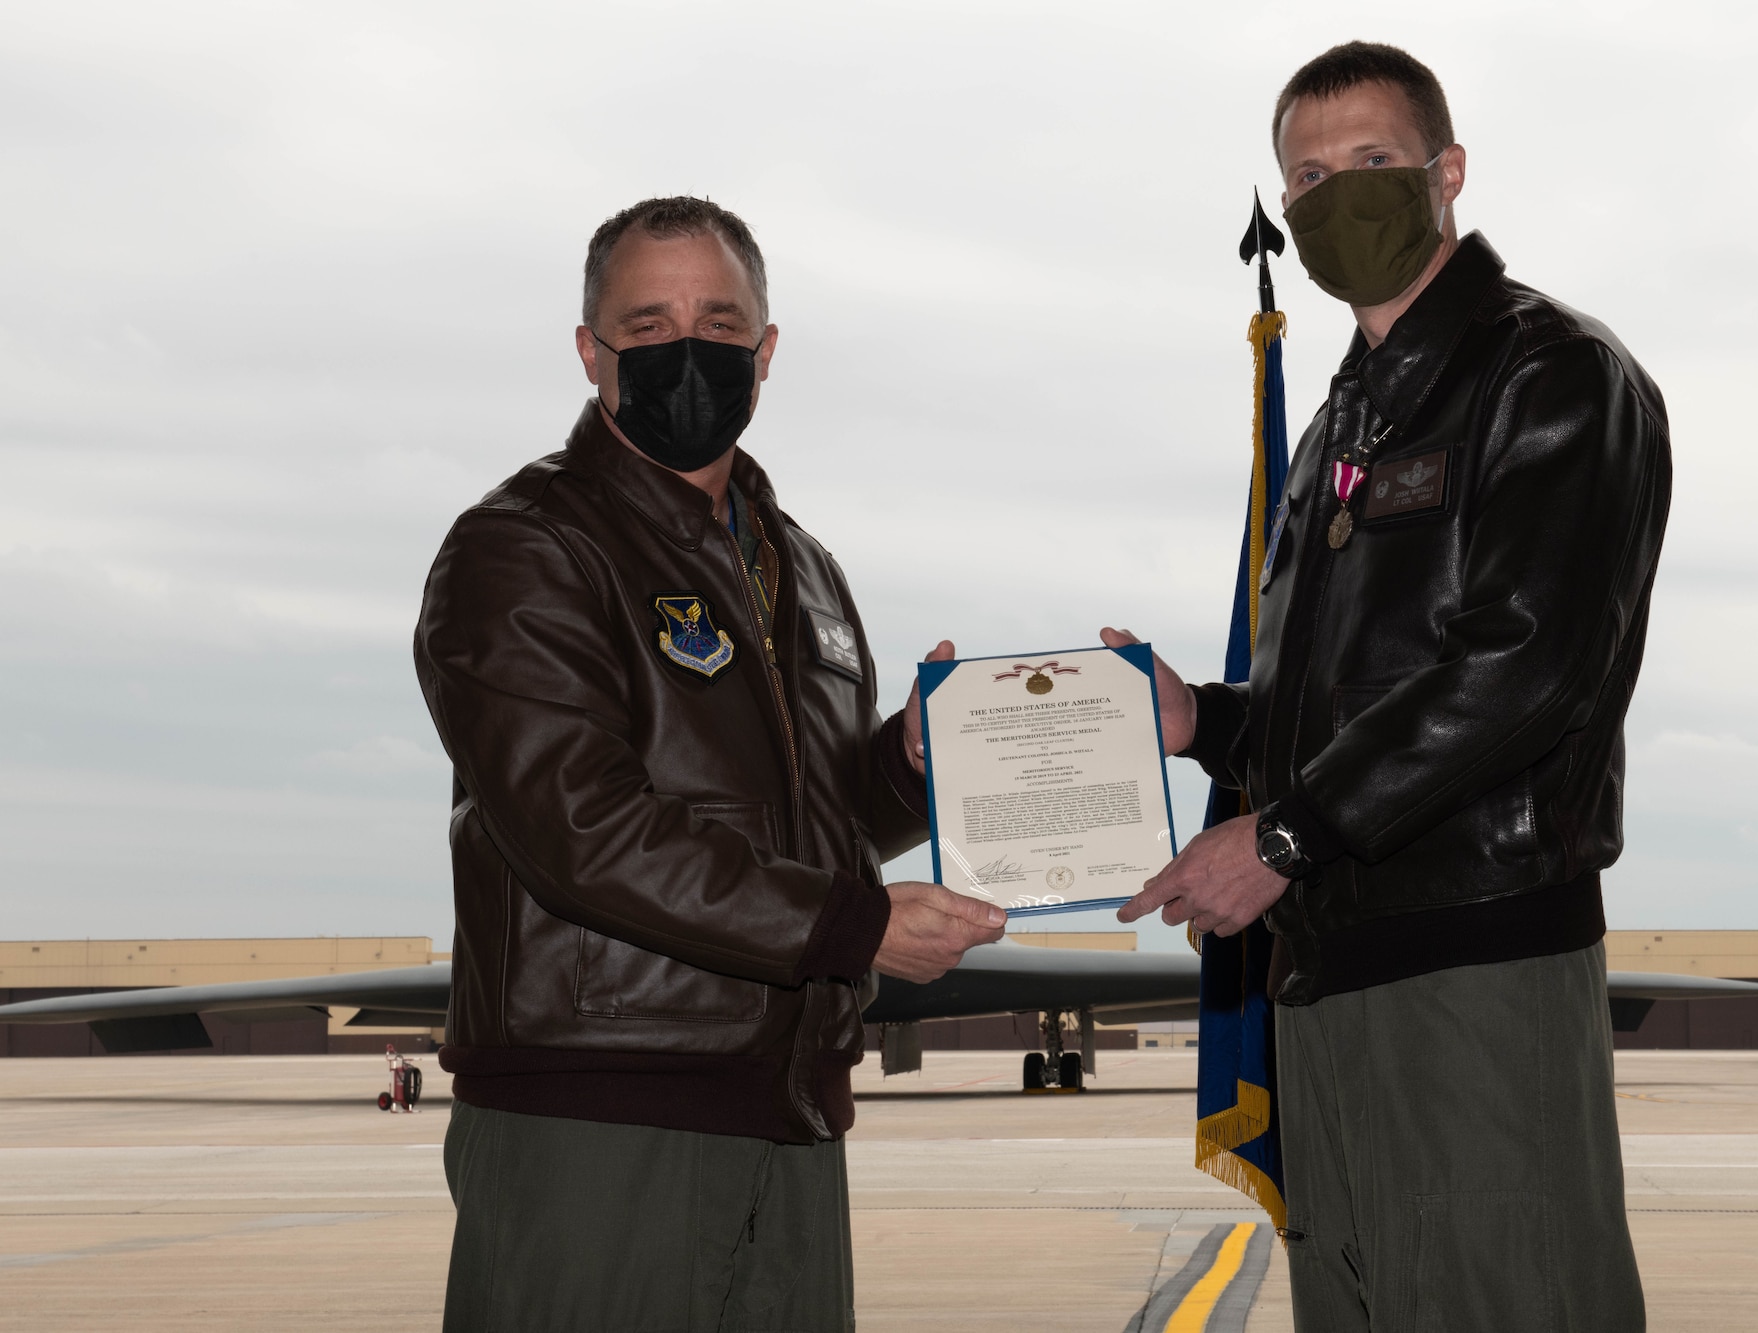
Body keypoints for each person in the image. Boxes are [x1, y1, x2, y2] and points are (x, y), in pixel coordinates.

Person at [1112, 42, 1667, 1330]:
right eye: (1303, 178)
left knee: (1502, 1294)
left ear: (1446, 172)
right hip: (1327, 966)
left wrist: (1290, 835)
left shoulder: (1548, 374)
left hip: (1468, 960)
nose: (1332, 199)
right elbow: (1340, 708)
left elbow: (1525, 663)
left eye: (1368, 163)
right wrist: (1207, 721)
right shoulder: (1340, 425)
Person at [413, 196, 1005, 1332]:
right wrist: (851, 925)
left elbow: (809, 822)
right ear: (591, 354)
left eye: (720, 324)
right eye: (645, 327)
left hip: (788, 1109)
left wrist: (913, 768)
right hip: (601, 1109)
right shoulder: (526, 546)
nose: (688, 350)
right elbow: (576, 828)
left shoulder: (803, 567)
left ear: (766, 349)